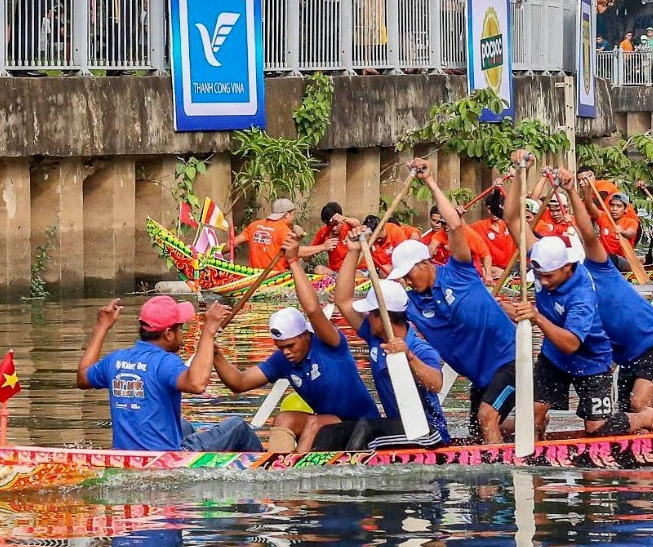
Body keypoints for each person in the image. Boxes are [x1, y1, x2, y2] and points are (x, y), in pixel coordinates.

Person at [394, 158, 527, 443]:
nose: (405, 281)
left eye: (407, 275)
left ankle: (498, 480)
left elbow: (454, 227)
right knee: (478, 434)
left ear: (425, 263)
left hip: (512, 360)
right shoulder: (412, 306)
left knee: (486, 418)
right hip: (481, 377)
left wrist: (430, 182)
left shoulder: (460, 271)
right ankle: (533, 424)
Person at [209, 246, 381, 452]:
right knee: (284, 418)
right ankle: (276, 467)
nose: (286, 352)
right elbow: (239, 382)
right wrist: (215, 354)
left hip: (364, 426)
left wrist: (293, 261)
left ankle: (293, 473)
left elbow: (312, 309)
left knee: (315, 423)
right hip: (330, 425)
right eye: (281, 347)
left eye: (290, 345)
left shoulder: (329, 343)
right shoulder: (283, 360)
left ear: (306, 335)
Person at [505, 230, 653, 439]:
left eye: (548, 276)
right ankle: (537, 448)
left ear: (566, 267)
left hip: (591, 362)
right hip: (554, 357)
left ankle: (646, 418)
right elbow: (515, 221)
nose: (544, 282)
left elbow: (571, 344)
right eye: (539, 277)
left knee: (597, 430)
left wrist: (537, 317)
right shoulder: (546, 257)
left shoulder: (581, 296)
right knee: (530, 417)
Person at [76, 296, 263, 452]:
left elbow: (83, 377)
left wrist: (101, 328)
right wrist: (209, 330)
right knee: (238, 427)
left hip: (129, 455)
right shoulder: (165, 363)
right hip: (167, 459)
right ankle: (270, 465)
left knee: (184, 425)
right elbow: (197, 384)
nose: (183, 333)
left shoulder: (115, 360)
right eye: (181, 328)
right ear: (168, 334)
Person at [571, 171, 653, 421]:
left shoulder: (598, 264)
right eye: (613, 205)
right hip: (628, 354)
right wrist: (585, 189)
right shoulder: (574, 300)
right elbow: (590, 210)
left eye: (619, 205)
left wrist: (572, 191)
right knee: (622, 412)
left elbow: (591, 233)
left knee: (638, 403)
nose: (616, 208)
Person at [329, 250, 452, 449]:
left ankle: (350, 472)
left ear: (383, 317)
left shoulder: (419, 349)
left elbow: (436, 384)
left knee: (366, 429)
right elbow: (343, 301)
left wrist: (409, 357)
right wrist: (353, 250)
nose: (367, 317)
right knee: (333, 431)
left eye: (370, 313)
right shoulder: (375, 336)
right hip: (397, 428)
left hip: (428, 433)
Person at [228, 198, 298, 270]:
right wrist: (310, 250)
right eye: (293, 214)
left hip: (253, 275)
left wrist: (218, 252)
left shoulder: (254, 225)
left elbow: (233, 242)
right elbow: (295, 252)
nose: (293, 218)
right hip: (274, 277)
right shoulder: (285, 231)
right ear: (286, 215)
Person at [463, 188, 518, 277]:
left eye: (496, 208)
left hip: (513, 269)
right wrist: (459, 215)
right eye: (489, 208)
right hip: (493, 271)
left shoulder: (510, 224)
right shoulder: (480, 226)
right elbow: (463, 230)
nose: (493, 212)